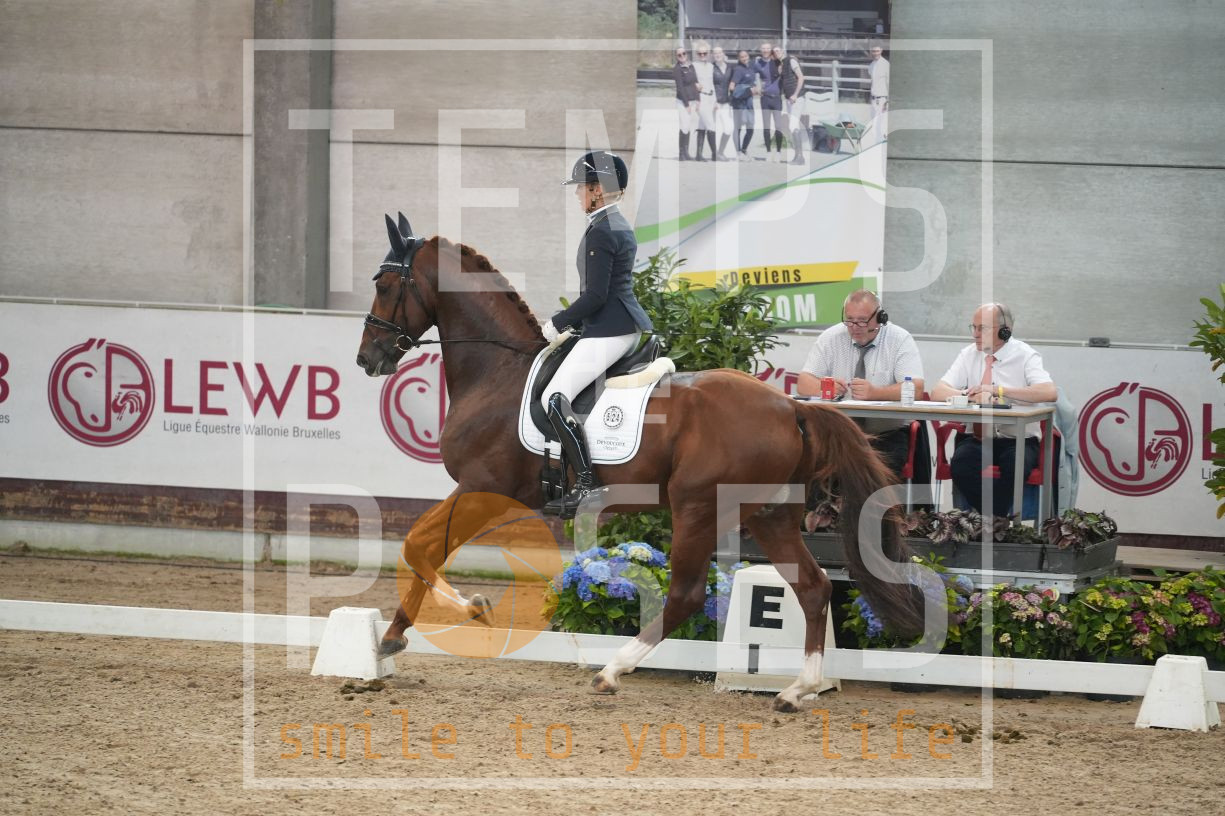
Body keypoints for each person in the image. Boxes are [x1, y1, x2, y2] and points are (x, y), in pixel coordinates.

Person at [541, 151, 654, 518]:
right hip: (614, 324)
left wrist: (559, 322)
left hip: (611, 329)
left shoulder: (603, 230)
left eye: (581, 188)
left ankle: (586, 483)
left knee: (555, 397)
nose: (577, 195)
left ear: (597, 190)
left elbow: (596, 296)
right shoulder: (613, 223)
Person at [931, 303, 1058, 517]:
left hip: (1018, 440)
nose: (975, 334)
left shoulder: (1025, 355)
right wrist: (970, 396)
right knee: (961, 465)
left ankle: (990, 521)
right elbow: (938, 391)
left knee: (1015, 467)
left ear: (1004, 331)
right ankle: (996, 520)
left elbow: (1049, 392)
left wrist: (998, 390)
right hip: (978, 438)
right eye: (973, 327)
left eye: (982, 328)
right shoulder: (968, 354)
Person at [796, 290, 925, 477]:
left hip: (886, 434)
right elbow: (803, 383)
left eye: (862, 321)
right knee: (813, 465)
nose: (854, 327)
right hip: (839, 433)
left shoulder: (899, 339)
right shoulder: (831, 337)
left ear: (880, 317)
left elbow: (916, 388)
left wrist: (875, 393)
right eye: (849, 320)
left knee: (878, 473)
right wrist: (825, 388)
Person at [774, 45, 806, 164]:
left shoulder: (791, 61)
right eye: (774, 52)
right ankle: (798, 156)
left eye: (778, 50)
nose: (776, 53)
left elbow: (801, 77)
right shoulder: (781, 65)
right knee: (792, 126)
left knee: (793, 125)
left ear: (782, 51)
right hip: (789, 98)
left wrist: (795, 94)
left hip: (796, 98)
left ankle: (800, 157)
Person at [754, 42, 785, 161]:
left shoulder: (777, 62)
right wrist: (757, 86)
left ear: (770, 50)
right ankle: (768, 151)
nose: (766, 50)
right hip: (765, 98)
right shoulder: (758, 63)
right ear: (761, 50)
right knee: (766, 126)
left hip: (776, 97)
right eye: (764, 48)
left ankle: (778, 152)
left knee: (778, 126)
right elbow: (754, 76)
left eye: (768, 48)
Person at [690, 41, 720, 161]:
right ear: (696, 54)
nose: (702, 55)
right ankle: (714, 154)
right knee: (710, 125)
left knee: (702, 125)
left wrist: (715, 100)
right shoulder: (693, 66)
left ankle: (698, 154)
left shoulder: (711, 66)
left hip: (711, 98)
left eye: (705, 53)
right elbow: (689, 81)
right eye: (700, 53)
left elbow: (712, 84)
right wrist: (695, 86)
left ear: (708, 54)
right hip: (700, 98)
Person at [727, 49, 758, 161]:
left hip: (749, 102)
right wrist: (748, 91)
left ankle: (744, 150)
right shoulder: (738, 70)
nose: (744, 58)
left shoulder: (751, 67)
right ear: (739, 58)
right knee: (738, 128)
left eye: (746, 56)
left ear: (748, 56)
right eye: (742, 57)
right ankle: (738, 152)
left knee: (750, 128)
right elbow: (732, 87)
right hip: (739, 103)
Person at [672, 46, 699, 161]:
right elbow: (680, 88)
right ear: (676, 57)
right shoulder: (677, 69)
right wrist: (686, 104)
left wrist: (698, 99)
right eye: (679, 55)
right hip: (683, 102)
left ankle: (686, 152)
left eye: (684, 53)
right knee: (684, 126)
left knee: (688, 126)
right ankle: (681, 154)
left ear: (687, 54)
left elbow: (695, 83)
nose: (682, 56)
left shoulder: (691, 66)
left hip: (692, 100)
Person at [711, 46, 736, 160]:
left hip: (726, 102)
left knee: (729, 128)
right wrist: (713, 100)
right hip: (714, 103)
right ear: (713, 55)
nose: (717, 55)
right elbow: (708, 84)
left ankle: (720, 152)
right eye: (715, 53)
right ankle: (714, 153)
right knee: (713, 129)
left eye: (719, 52)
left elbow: (734, 82)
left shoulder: (730, 67)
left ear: (723, 53)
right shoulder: (711, 68)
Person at [867, 43, 889, 142]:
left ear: (881, 50)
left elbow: (889, 83)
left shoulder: (886, 64)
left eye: (877, 51)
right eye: (873, 51)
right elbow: (873, 82)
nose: (875, 53)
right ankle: (875, 145)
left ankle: (882, 145)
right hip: (873, 99)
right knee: (873, 124)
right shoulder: (871, 65)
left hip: (882, 100)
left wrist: (887, 101)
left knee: (881, 125)